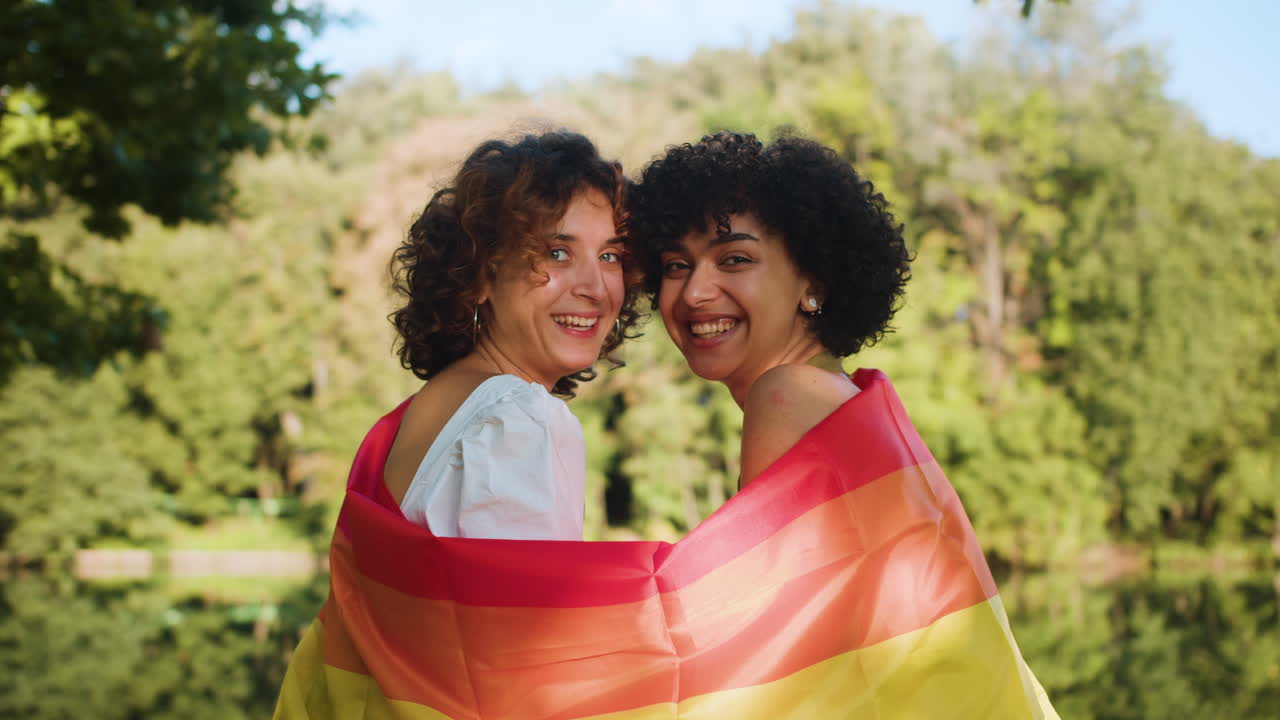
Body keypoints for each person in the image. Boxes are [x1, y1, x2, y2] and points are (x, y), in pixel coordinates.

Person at [381, 130, 642, 539]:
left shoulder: (437, 403)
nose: (595, 287)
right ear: (480, 275)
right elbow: (534, 604)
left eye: (610, 256)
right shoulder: (515, 418)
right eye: (557, 252)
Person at [628, 130, 911, 488]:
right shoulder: (838, 394)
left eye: (734, 259)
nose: (693, 293)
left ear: (814, 285)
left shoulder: (787, 394)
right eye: (676, 265)